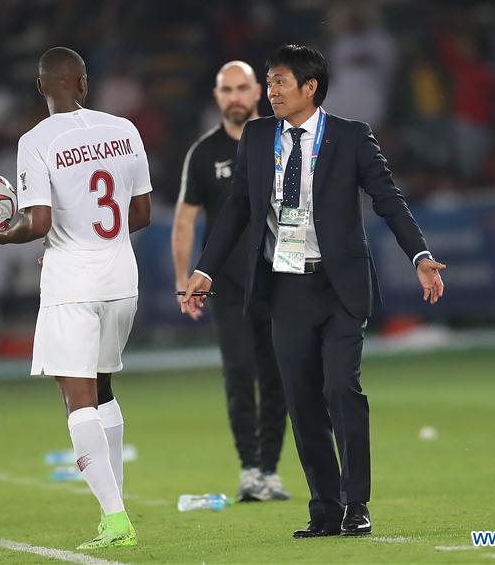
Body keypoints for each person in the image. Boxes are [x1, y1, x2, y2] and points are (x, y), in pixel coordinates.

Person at [182, 45, 446, 539]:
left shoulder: (350, 137)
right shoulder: (258, 138)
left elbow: (388, 200)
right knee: (302, 401)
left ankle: (357, 503)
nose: (272, 90)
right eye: (270, 80)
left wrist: (421, 256)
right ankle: (325, 508)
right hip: (285, 288)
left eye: (281, 81)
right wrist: (205, 270)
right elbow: (236, 209)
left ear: (311, 88)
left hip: (341, 286)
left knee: (339, 389)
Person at [0, 47, 152, 551]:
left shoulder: (36, 141)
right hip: (121, 279)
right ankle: (111, 515)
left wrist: (1, 235)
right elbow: (141, 213)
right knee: (106, 389)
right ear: (85, 83)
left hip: (72, 285)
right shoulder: (124, 130)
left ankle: (115, 519)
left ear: (41, 88)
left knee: (79, 402)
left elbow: (39, 223)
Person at [172, 60, 289, 502]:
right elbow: (184, 221)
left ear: (257, 91)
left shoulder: (284, 142)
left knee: (279, 376)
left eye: (243, 87)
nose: (236, 96)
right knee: (240, 374)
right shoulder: (203, 154)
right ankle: (249, 468)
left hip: (281, 279)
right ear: (217, 96)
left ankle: (271, 470)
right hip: (228, 286)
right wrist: (185, 278)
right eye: (228, 89)